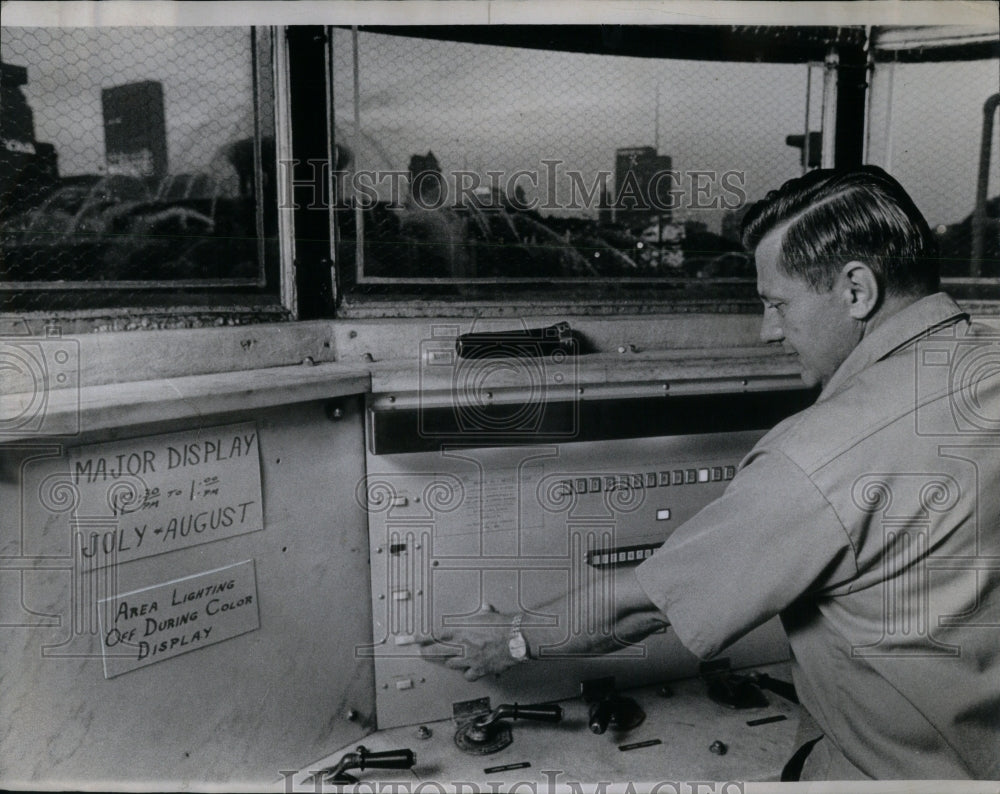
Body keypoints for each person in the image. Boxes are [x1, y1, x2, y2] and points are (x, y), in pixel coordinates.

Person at [421, 166, 1000, 780]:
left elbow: (640, 608)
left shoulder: (818, 459)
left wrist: (509, 637)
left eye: (777, 303)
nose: (768, 330)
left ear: (857, 290)